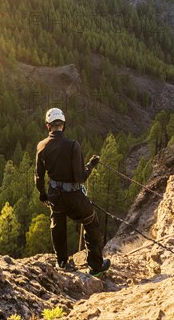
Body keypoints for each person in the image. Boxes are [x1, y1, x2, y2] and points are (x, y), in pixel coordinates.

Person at [35, 107, 111, 276]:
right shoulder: (73, 146)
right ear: (63, 124)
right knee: (91, 222)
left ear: (48, 127)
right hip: (74, 195)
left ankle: (62, 262)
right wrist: (91, 164)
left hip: (54, 194)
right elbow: (80, 177)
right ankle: (95, 266)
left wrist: (43, 195)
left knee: (58, 224)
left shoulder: (41, 146)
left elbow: (38, 177)